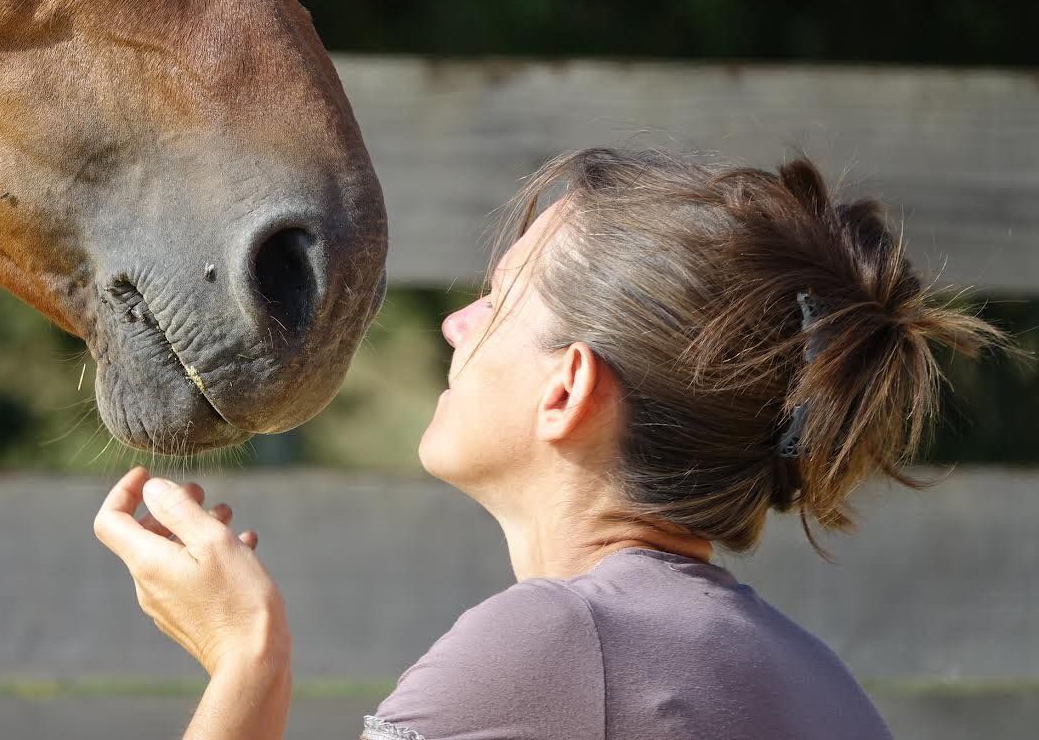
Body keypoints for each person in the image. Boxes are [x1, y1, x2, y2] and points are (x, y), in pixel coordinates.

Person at [93, 147, 1003, 740]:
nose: (456, 324)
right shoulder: (818, 682)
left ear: (567, 389)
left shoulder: (559, 645)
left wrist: (250, 655)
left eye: (500, 300)